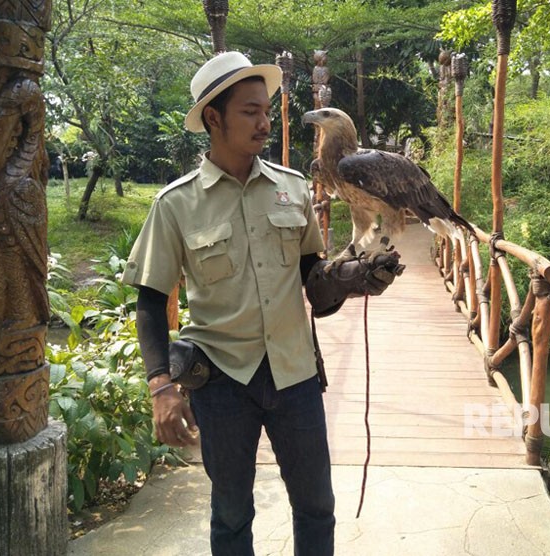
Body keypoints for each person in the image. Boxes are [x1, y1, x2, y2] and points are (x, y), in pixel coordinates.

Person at [122, 51, 403, 556]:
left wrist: (351, 279)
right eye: (250, 111)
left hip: (294, 376)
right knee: (231, 514)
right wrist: (161, 386)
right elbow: (149, 300)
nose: (265, 122)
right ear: (214, 118)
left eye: (266, 110)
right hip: (222, 383)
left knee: (317, 506)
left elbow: (314, 289)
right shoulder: (175, 205)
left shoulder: (293, 190)